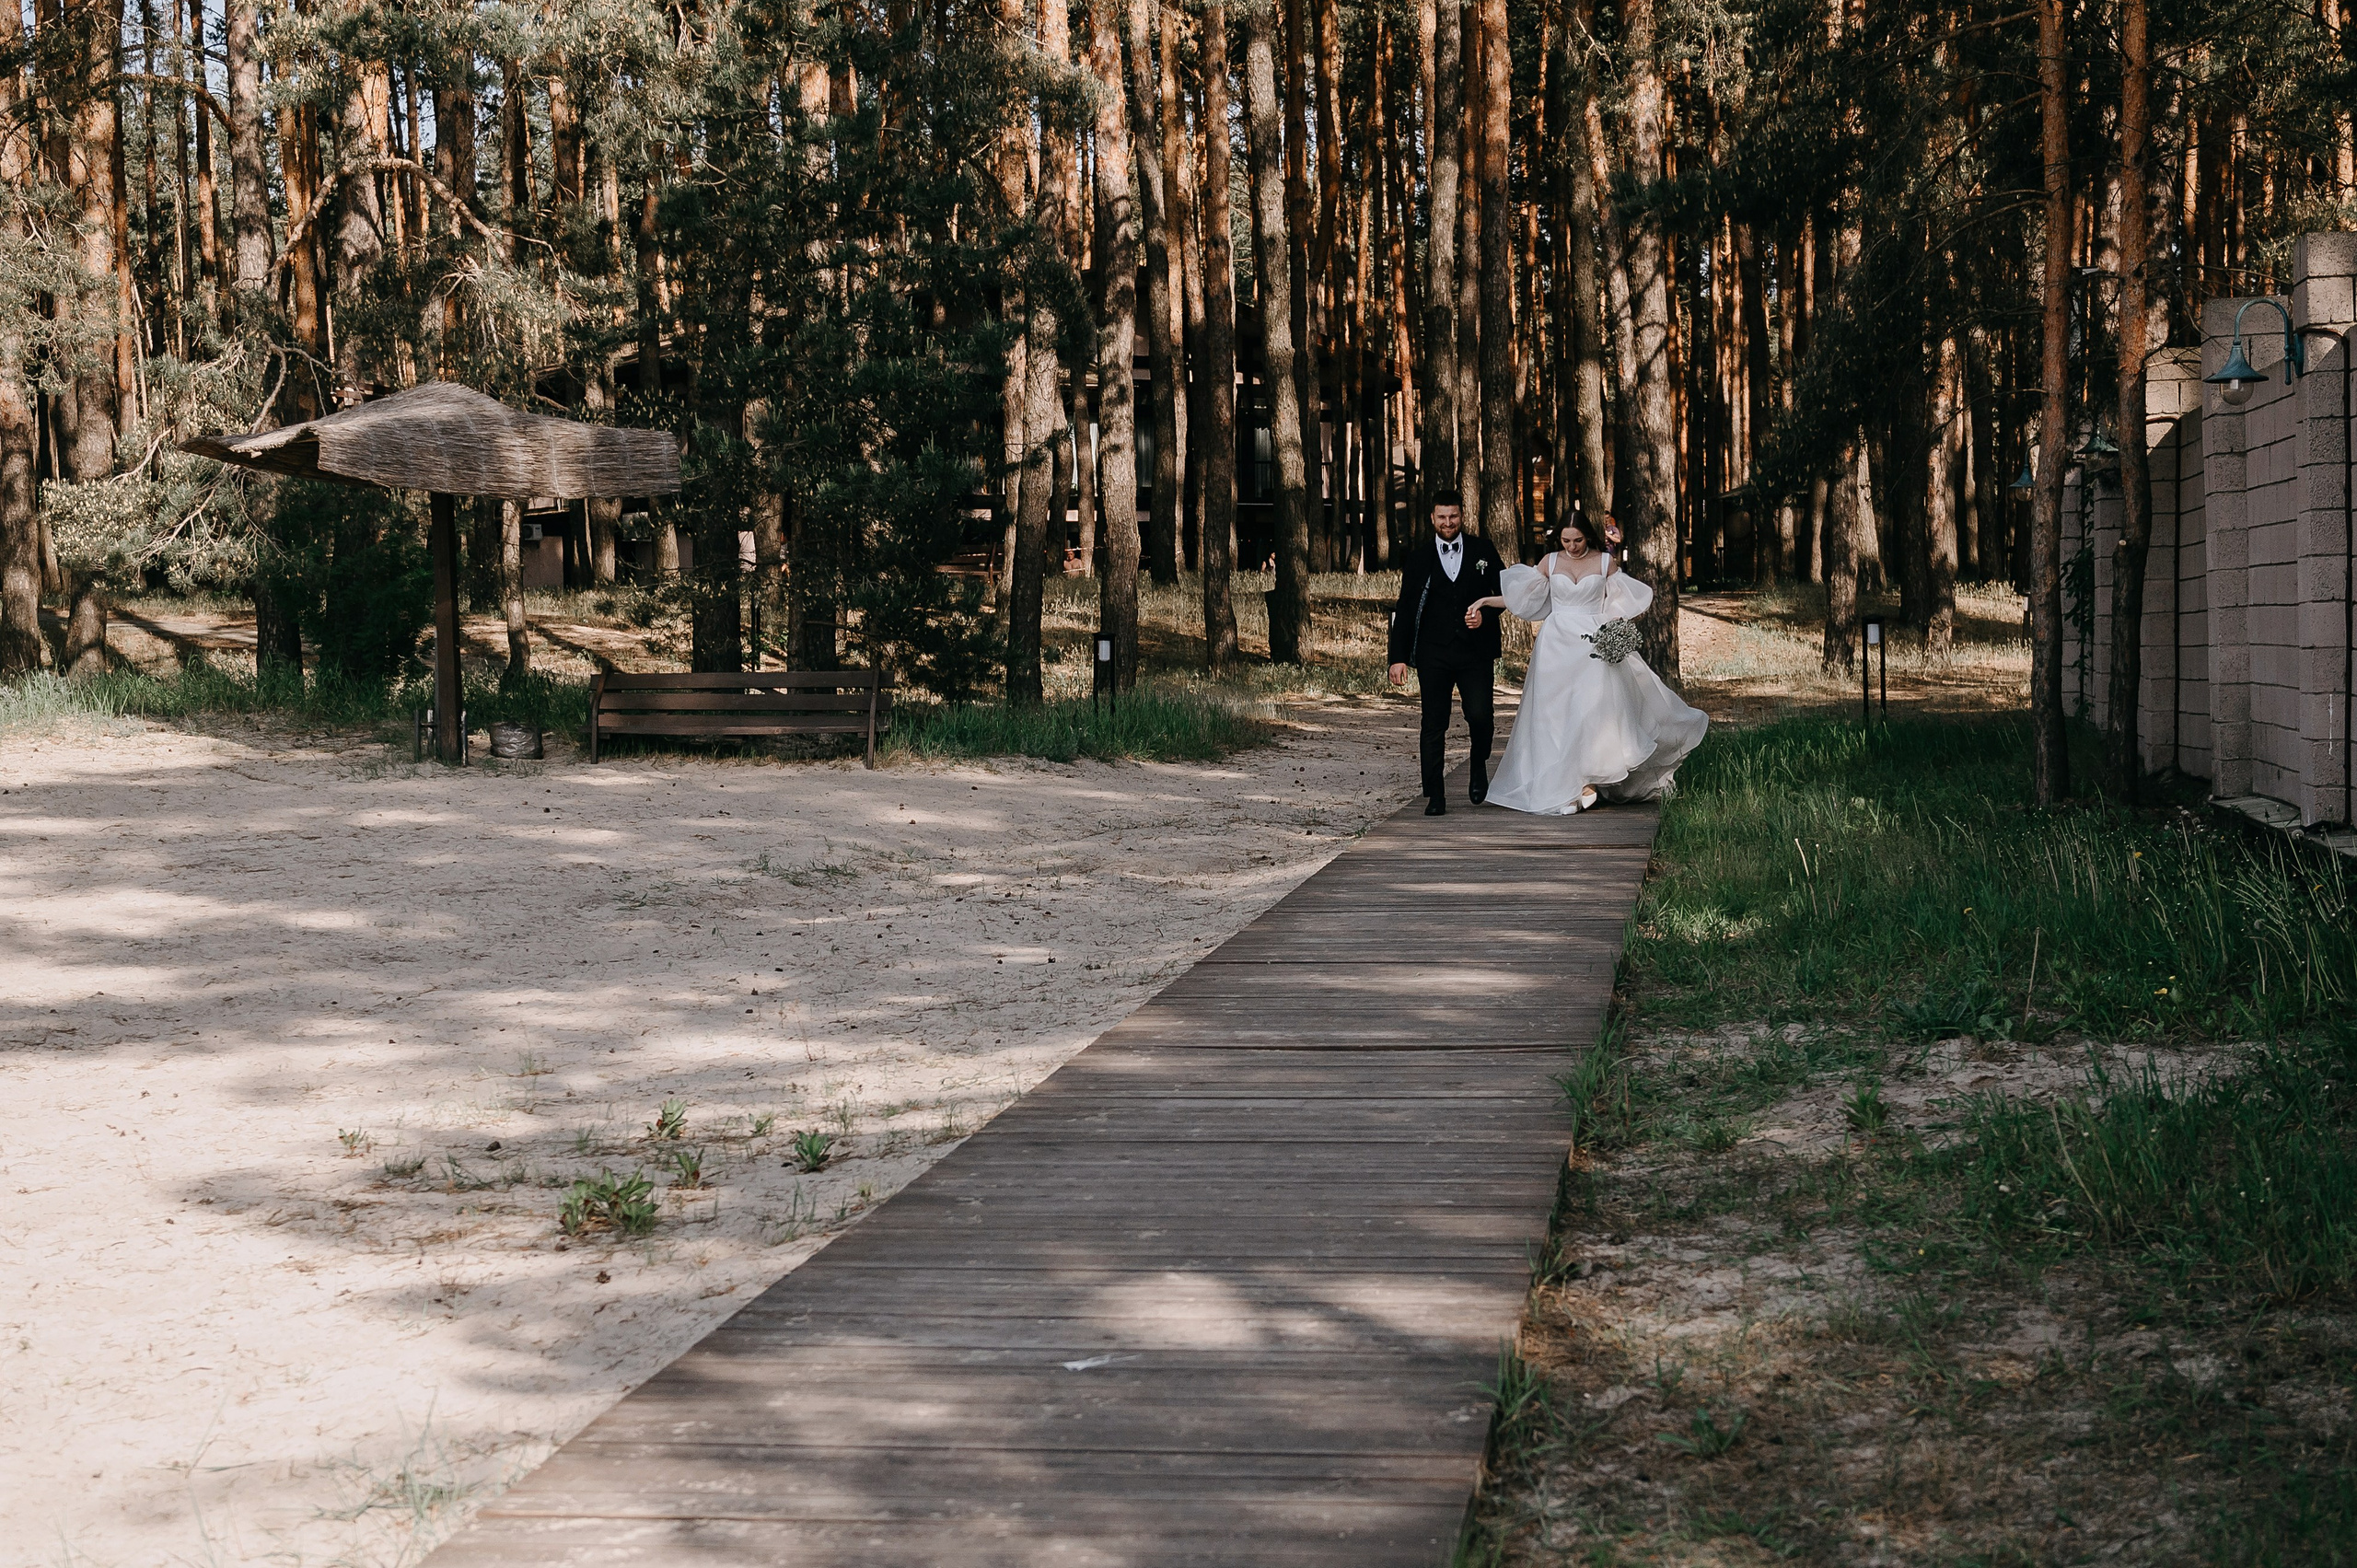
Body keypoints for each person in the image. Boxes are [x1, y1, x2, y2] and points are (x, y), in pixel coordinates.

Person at [1465, 513, 1708, 814]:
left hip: (1594, 641)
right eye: (1566, 540)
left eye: (1577, 540)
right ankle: (1566, 786)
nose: (1572, 546)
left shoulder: (1605, 562)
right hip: (1556, 645)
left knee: (1593, 708)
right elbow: (1520, 598)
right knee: (1555, 714)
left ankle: (1587, 780)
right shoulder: (1550, 562)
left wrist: (1615, 629)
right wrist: (1485, 601)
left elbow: (1622, 602)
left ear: (1588, 536)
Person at [1387, 490, 1505, 815]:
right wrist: (1397, 657)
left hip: (1475, 652)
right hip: (1433, 653)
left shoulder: (1483, 549)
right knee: (1433, 722)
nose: (1448, 522)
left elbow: (1505, 594)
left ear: (1461, 516)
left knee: (1480, 716)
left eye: (1453, 516)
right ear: (1432, 519)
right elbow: (1406, 609)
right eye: (1442, 517)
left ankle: (1478, 764)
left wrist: (1486, 614)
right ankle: (1435, 795)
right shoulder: (1417, 558)